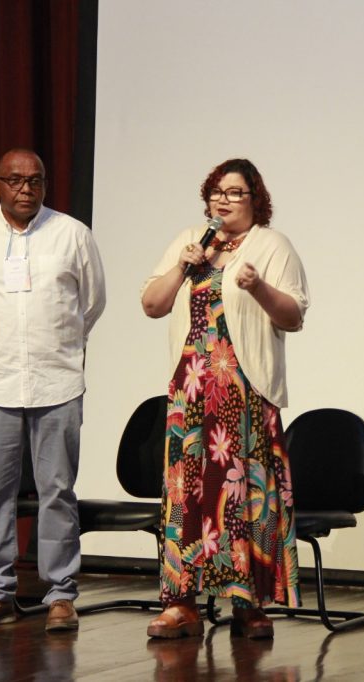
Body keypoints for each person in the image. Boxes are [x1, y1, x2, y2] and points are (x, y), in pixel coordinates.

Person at [141, 158, 309, 639]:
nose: (223, 200)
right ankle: (182, 603)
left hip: (245, 389)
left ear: (256, 200)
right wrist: (182, 265)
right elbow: (153, 305)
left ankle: (248, 603)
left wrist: (256, 286)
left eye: (235, 193)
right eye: (217, 191)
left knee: (242, 495)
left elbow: (292, 316)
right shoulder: (191, 241)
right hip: (191, 389)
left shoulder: (272, 245)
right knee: (187, 494)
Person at [0, 148, 106, 631]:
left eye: (35, 181)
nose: (26, 190)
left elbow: (92, 304)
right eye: (15, 181)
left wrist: (56, 345)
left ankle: (61, 595)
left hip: (56, 382)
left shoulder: (72, 234)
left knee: (58, 491)